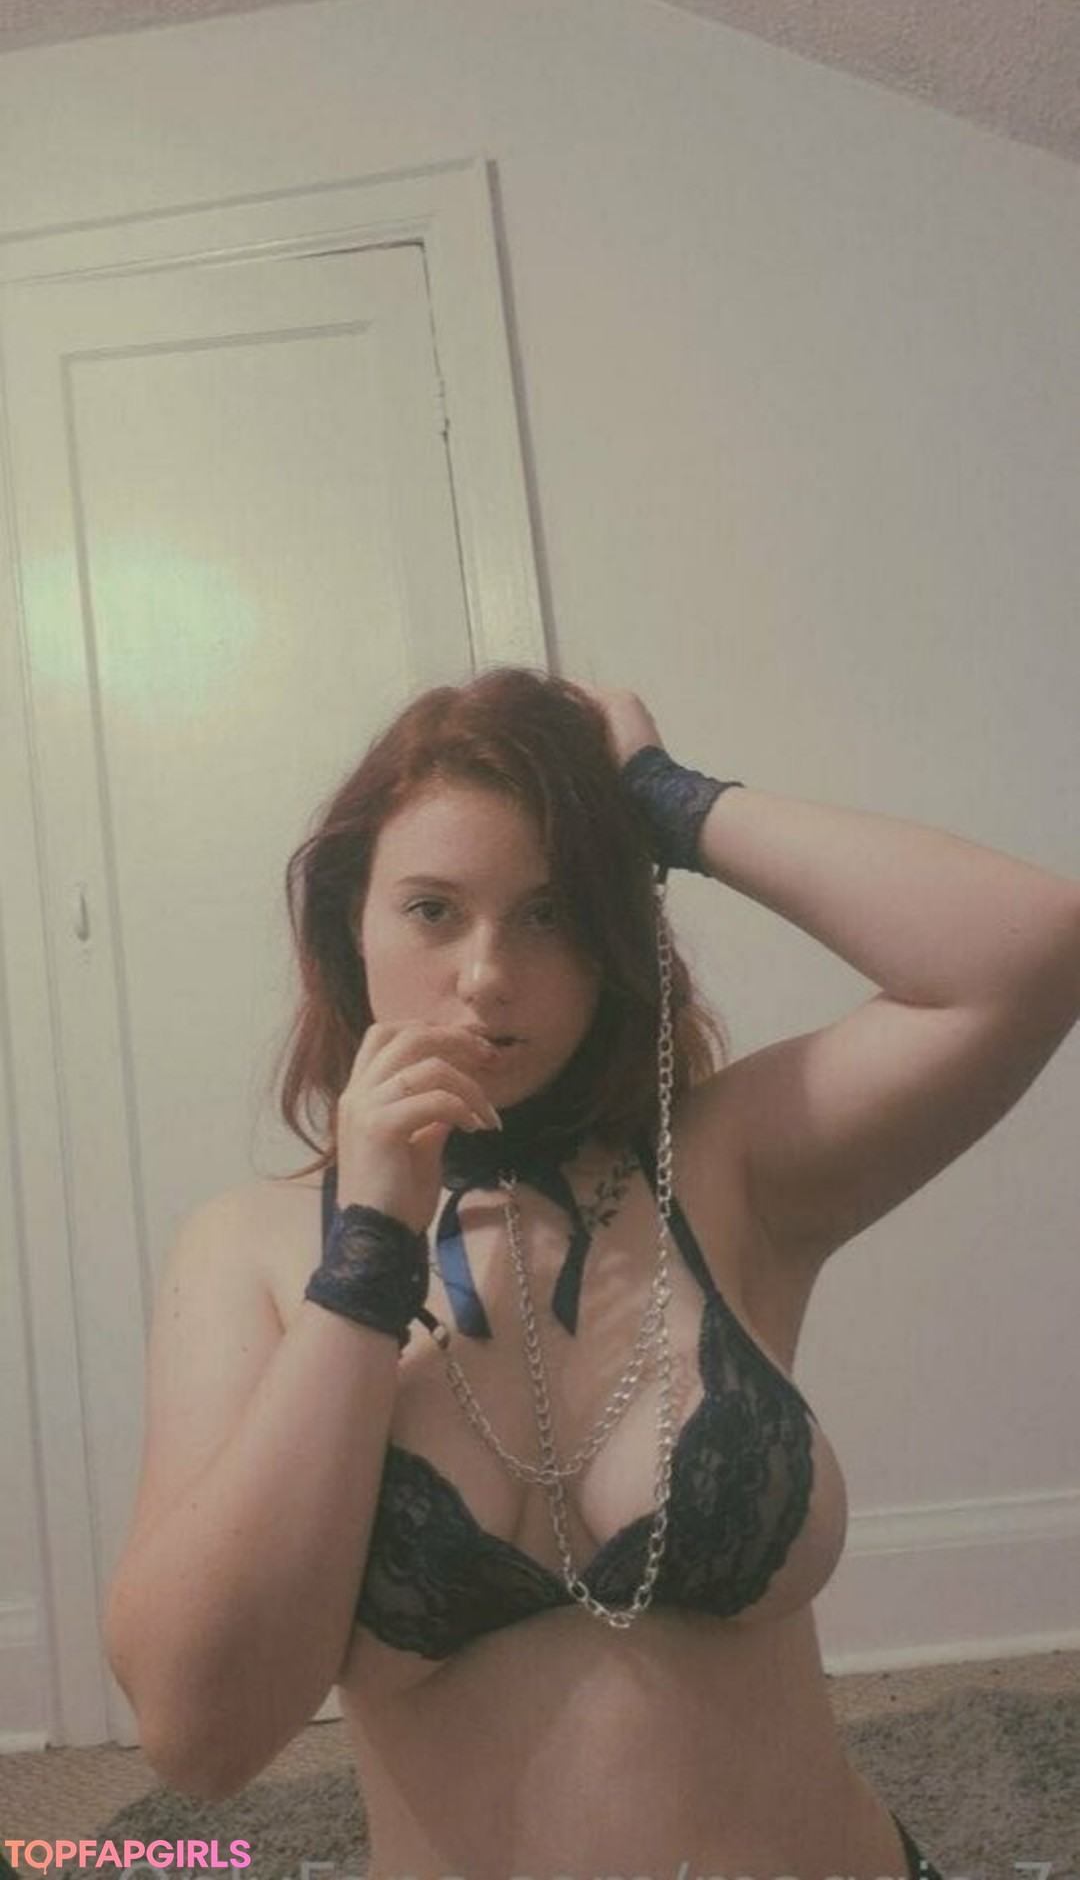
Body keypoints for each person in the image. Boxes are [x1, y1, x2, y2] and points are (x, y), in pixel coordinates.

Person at [104, 666, 1080, 1880]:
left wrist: (670, 801)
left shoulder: (727, 1163)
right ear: (351, 924)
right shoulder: (248, 1247)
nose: (487, 972)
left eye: (553, 911)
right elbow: (200, 1732)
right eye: (432, 909)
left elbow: (1031, 948)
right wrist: (366, 1256)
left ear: (613, 936)